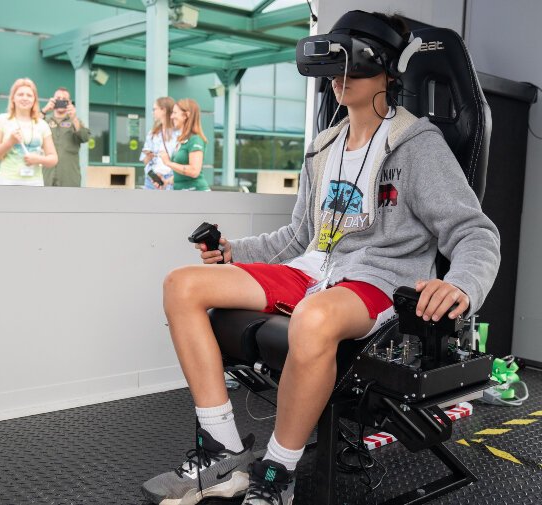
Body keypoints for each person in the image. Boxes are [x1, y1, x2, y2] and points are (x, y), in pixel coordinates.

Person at [142, 11, 501, 505]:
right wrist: (233, 253)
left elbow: (473, 232)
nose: (337, 78)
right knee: (181, 285)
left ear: (385, 71)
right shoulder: (324, 148)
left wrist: (461, 284)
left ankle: (278, 473)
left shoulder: (418, 145)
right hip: (313, 272)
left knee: (312, 318)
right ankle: (221, 450)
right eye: (332, 67)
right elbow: (301, 236)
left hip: (374, 281)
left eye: (348, 65)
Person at [0, 78, 57, 186]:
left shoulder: (42, 125)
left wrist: (38, 159)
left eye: (29, 95)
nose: (25, 98)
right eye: (20, 94)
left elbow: (53, 158)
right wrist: (9, 142)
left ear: (34, 100)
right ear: (13, 98)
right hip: (8, 182)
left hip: (35, 182)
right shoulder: (0, 121)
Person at [40, 87, 90, 187]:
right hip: (47, 174)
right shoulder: (44, 120)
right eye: (58, 98)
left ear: (69, 103)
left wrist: (74, 118)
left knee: (70, 202)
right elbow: (31, 128)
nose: (61, 101)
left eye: (64, 100)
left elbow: (85, 138)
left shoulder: (75, 122)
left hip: (69, 176)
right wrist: (44, 110)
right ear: (52, 100)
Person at [158, 98, 208, 191]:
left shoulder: (195, 139)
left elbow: (194, 171)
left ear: (186, 115)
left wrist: (168, 163)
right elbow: (182, 176)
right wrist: (166, 181)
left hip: (196, 193)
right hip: (182, 194)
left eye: (175, 113)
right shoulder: (182, 140)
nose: (171, 117)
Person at [140, 96, 179, 190]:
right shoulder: (153, 133)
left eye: (154, 109)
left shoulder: (179, 133)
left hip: (171, 179)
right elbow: (145, 161)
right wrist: (148, 156)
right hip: (152, 179)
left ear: (164, 110)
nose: (153, 112)